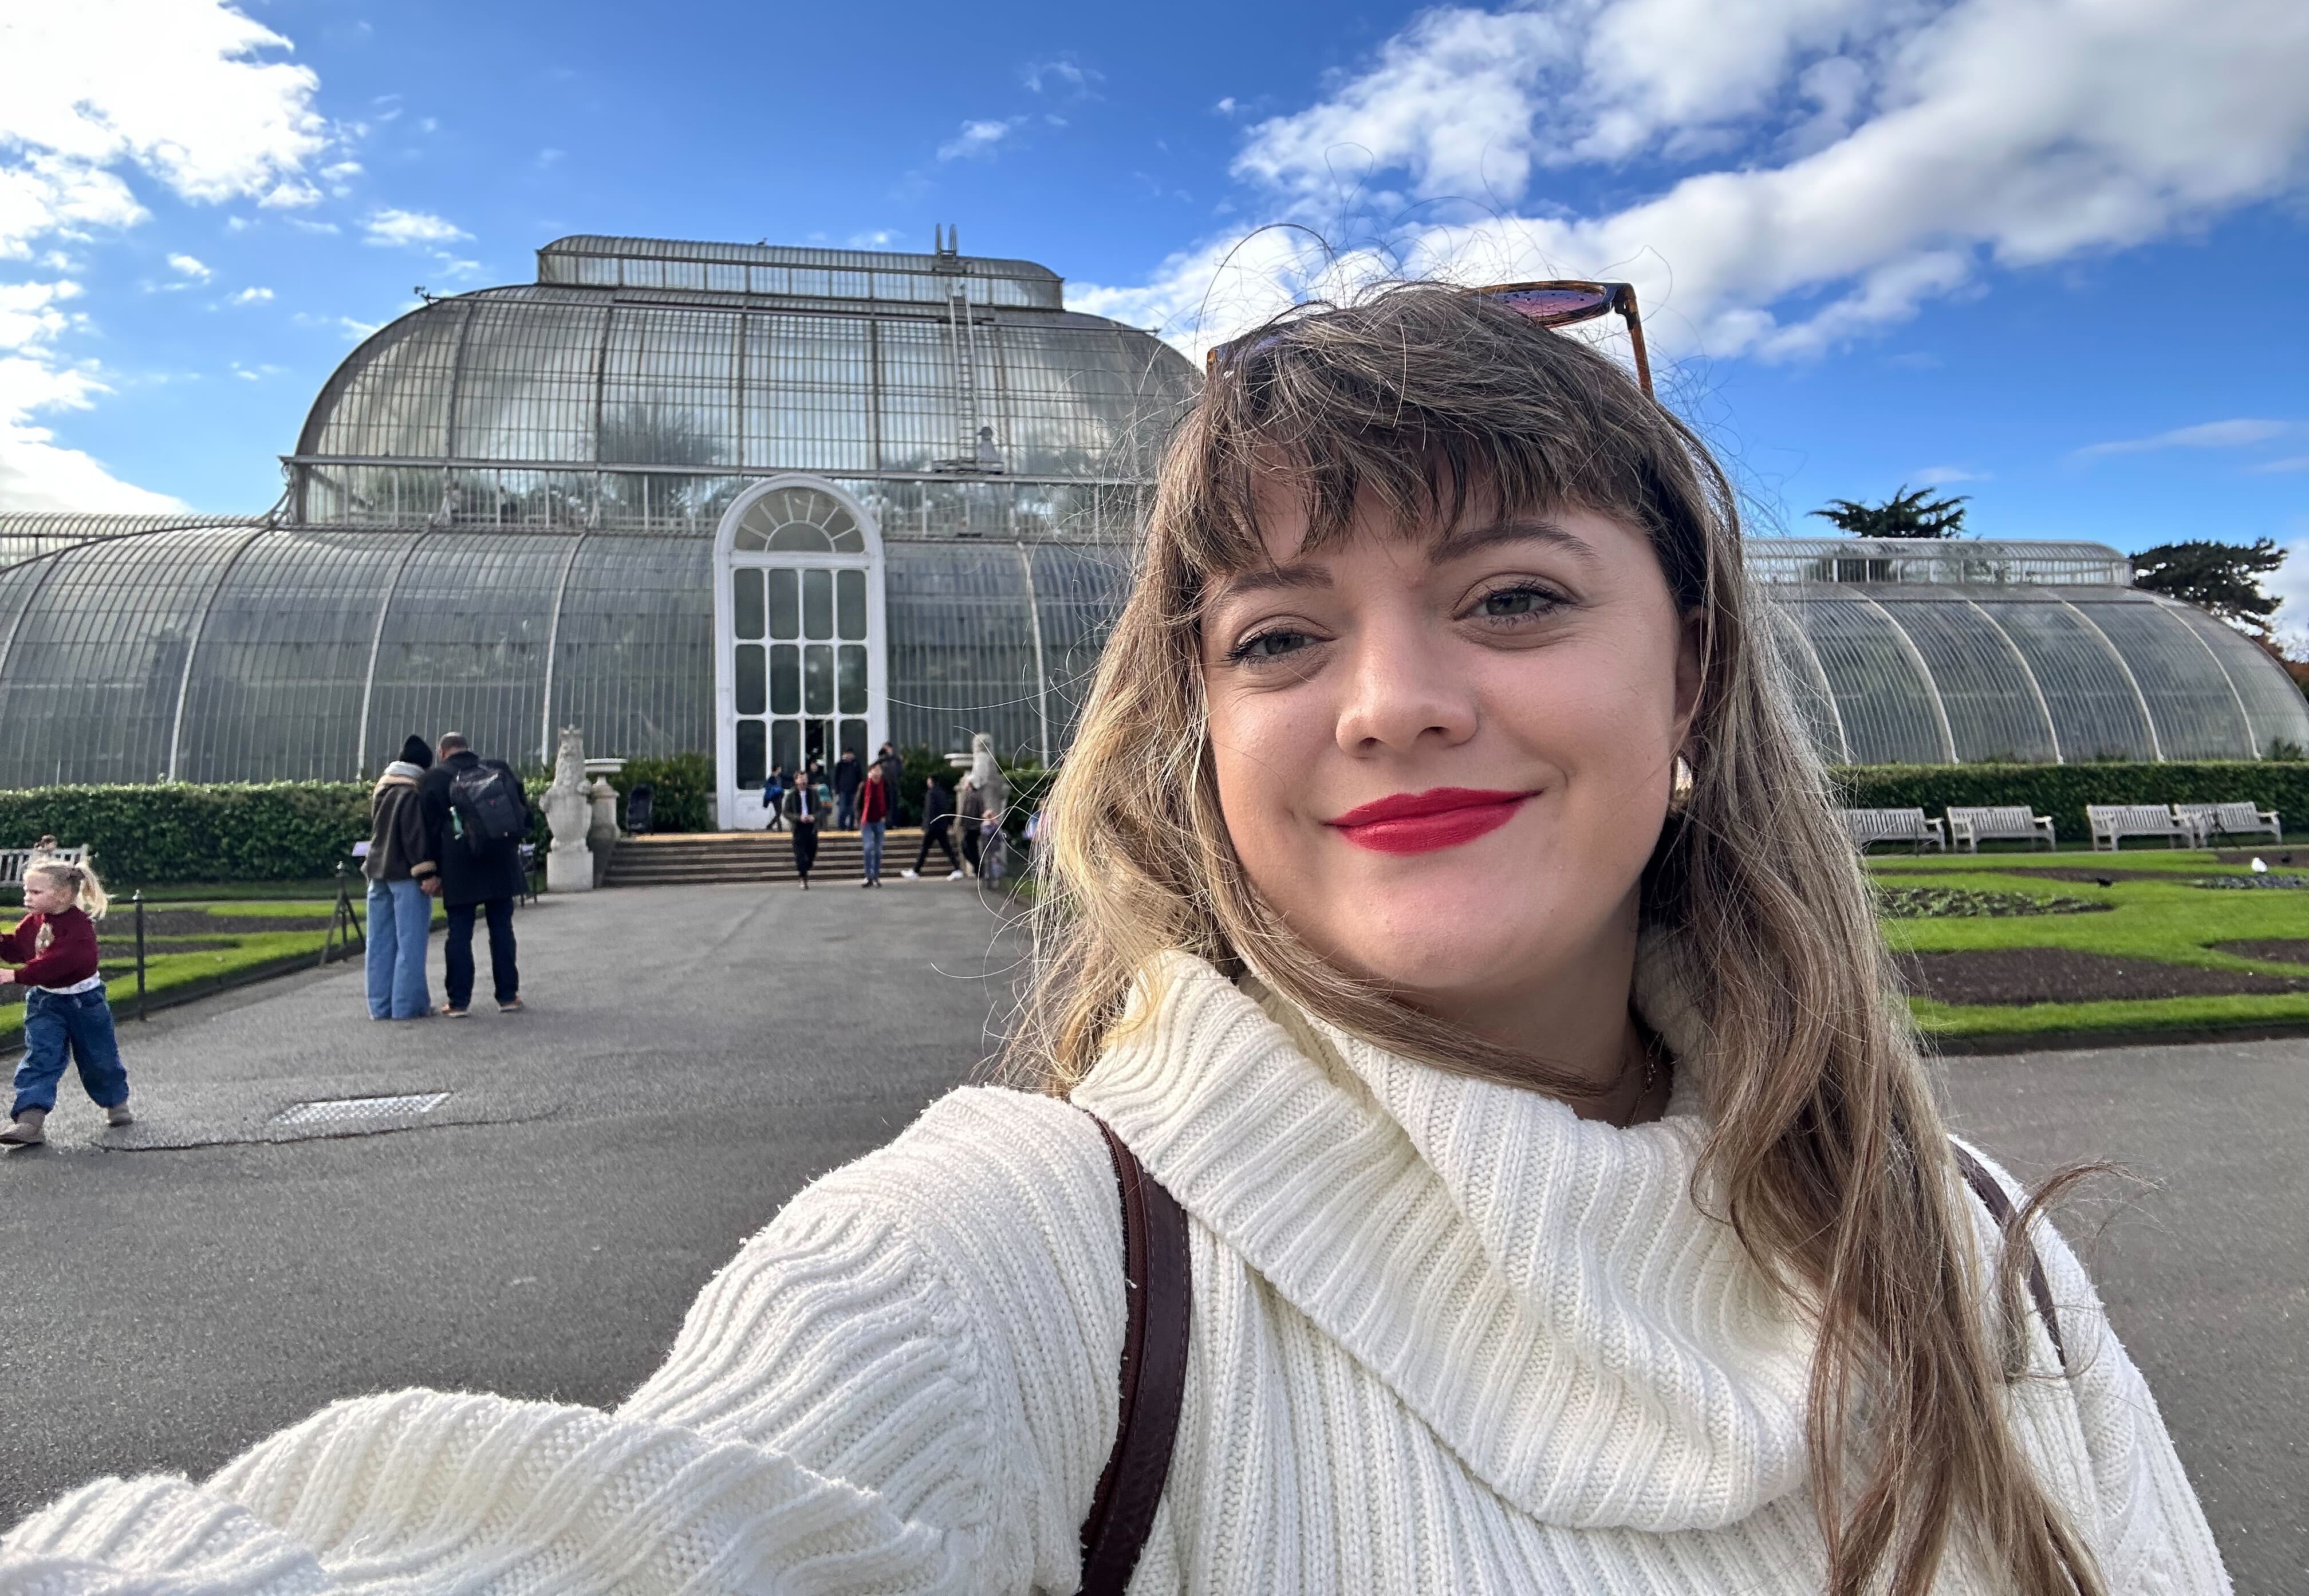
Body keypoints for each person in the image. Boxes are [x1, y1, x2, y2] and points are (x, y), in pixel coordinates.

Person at [0, 284, 2225, 1593]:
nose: (1392, 698)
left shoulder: (1956, 1239)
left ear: (1701, 679)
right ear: (1197, 730)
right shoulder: (1033, 1252)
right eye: (1277, 635)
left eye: (1517, 597)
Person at [1, 858, 128, 1145]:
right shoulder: (33, 923)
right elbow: (20, 948)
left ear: (61, 895)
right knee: (40, 1057)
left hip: (86, 1002)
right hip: (46, 1002)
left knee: (99, 1058)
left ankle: (116, 1102)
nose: (27, 897)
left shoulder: (78, 928)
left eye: (36, 892)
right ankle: (29, 1120)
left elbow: (59, 962)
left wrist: (15, 976)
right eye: (26, 890)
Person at [417, 731, 530, 1016]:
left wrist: (430, 871)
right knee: (502, 929)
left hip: (459, 867)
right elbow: (522, 814)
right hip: (500, 861)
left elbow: (428, 831)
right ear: (468, 749)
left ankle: (458, 1002)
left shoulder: (434, 779)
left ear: (442, 752)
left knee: (459, 933)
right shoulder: (498, 770)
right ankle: (508, 996)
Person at [361, 735, 436, 1020]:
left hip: (377, 872)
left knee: (378, 944)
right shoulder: (411, 792)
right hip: (404, 875)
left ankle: (380, 1008)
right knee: (410, 944)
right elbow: (414, 836)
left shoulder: (382, 790)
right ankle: (408, 1007)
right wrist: (427, 872)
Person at [955, 731, 1007, 877]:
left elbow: (979, 777)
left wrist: (967, 779)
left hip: (985, 806)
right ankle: (983, 869)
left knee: (974, 842)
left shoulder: (982, 757)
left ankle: (981, 870)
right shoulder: (989, 758)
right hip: (988, 802)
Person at [901, 770, 963, 879]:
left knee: (925, 848)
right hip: (941, 826)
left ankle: (916, 871)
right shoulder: (942, 793)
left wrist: (926, 825)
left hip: (933, 826)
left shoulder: (931, 793)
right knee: (946, 848)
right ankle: (957, 869)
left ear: (931, 781)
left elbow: (929, 811)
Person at [857, 755, 890, 887]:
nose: (877, 772)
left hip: (880, 820)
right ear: (870, 772)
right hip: (867, 821)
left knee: (878, 850)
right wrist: (859, 817)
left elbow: (889, 801)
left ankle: (876, 876)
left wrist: (886, 816)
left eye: (879, 770)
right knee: (868, 847)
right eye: (874, 770)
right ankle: (868, 876)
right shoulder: (864, 785)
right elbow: (858, 804)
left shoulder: (885, 784)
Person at [783, 770, 819, 889]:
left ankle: (807, 867)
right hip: (798, 827)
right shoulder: (791, 795)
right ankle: (803, 878)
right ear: (796, 780)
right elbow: (786, 812)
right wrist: (798, 817)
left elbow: (821, 810)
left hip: (811, 827)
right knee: (799, 855)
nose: (803, 781)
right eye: (800, 778)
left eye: (805, 778)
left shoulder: (813, 793)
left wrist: (814, 817)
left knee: (812, 851)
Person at [874, 742, 907, 825]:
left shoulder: (895, 759)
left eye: (887, 748)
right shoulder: (881, 760)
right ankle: (885, 822)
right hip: (883, 785)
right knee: (883, 804)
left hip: (893, 784)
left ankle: (893, 822)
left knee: (893, 804)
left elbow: (900, 771)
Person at [830, 748, 862, 830]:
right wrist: (837, 789)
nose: (849, 756)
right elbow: (836, 778)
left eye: (850, 754)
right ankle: (841, 825)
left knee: (852, 809)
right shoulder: (840, 765)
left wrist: (860, 789)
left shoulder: (856, 764)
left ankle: (851, 826)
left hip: (854, 790)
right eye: (847, 754)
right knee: (843, 808)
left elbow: (860, 777)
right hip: (843, 790)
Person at [760, 765, 786, 833]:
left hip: (779, 797)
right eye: (779, 768)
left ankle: (770, 825)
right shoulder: (771, 778)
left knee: (779, 812)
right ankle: (779, 828)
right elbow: (767, 786)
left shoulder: (779, 777)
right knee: (778, 812)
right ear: (777, 769)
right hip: (775, 797)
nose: (780, 769)